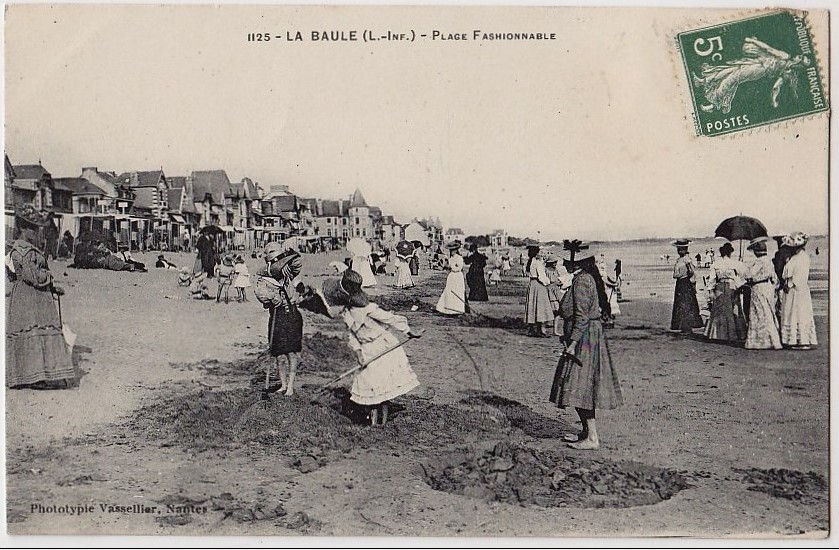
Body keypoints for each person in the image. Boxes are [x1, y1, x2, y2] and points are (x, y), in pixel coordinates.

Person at [323, 269, 423, 426]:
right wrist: (358, 353)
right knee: (369, 385)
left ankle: (380, 424)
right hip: (366, 350)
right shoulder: (347, 314)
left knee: (380, 387)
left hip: (383, 347)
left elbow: (391, 319)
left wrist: (409, 331)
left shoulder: (369, 309)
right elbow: (352, 336)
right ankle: (373, 422)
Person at [550, 240, 621, 450]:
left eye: (565, 260)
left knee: (581, 386)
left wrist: (572, 343)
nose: (563, 263)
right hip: (587, 335)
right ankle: (586, 432)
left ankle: (592, 437)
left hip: (585, 338)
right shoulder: (585, 278)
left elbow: (581, 317)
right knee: (580, 386)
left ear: (574, 262)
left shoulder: (582, 281)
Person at [6, 206, 76, 389]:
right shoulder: (22, 251)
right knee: (34, 331)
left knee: (35, 332)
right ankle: (35, 378)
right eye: (31, 228)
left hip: (29, 295)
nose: (35, 232)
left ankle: (34, 376)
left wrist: (52, 287)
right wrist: (49, 278)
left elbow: (14, 275)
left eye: (36, 228)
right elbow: (34, 276)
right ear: (22, 229)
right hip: (29, 297)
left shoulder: (18, 250)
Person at [258, 242, 304, 395]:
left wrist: (288, 253)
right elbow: (260, 293)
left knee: (291, 352)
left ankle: (290, 386)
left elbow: (297, 263)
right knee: (278, 354)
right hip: (277, 318)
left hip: (292, 316)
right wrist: (272, 297)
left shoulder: (287, 273)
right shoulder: (264, 279)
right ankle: (283, 385)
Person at [779, 232, 817, 349]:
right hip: (799, 290)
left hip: (796, 290)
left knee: (796, 313)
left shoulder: (799, 258)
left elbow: (797, 276)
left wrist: (789, 284)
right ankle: (799, 340)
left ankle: (800, 340)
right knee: (799, 313)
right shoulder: (801, 257)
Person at [743, 237, 782, 350]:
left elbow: (749, 275)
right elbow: (774, 278)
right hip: (768, 287)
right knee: (768, 311)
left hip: (758, 287)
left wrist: (745, 268)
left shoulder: (759, 261)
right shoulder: (769, 261)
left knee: (758, 312)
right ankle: (772, 339)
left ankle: (759, 341)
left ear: (756, 251)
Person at [704, 242, 747, 342]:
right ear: (730, 253)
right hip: (731, 286)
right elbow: (743, 275)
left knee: (720, 310)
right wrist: (740, 284)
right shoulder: (735, 263)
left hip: (720, 286)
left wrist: (710, 290)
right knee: (734, 309)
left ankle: (718, 334)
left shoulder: (716, 264)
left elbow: (712, 279)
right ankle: (736, 333)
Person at [669, 240, 704, 334]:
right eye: (678, 249)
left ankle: (687, 326)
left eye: (682, 250)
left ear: (686, 250)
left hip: (685, 282)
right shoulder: (679, 259)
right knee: (681, 304)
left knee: (686, 304)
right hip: (680, 283)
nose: (680, 251)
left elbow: (692, 272)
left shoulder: (686, 259)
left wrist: (691, 282)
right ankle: (683, 325)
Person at [524, 245, 553, 337]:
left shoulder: (530, 262)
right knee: (540, 307)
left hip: (532, 284)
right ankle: (540, 331)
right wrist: (548, 282)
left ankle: (532, 330)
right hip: (539, 285)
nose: (540, 254)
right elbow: (541, 276)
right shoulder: (538, 262)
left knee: (532, 306)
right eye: (539, 252)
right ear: (536, 253)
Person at [435, 242, 466, 315]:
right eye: (450, 250)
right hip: (451, 276)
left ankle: (457, 309)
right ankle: (448, 308)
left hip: (457, 276)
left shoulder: (459, 258)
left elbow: (459, 268)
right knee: (449, 291)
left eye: (453, 250)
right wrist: (443, 265)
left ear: (456, 250)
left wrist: (451, 267)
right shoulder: (450, 258)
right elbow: (447, 267)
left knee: (457, 291)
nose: (451, 252)